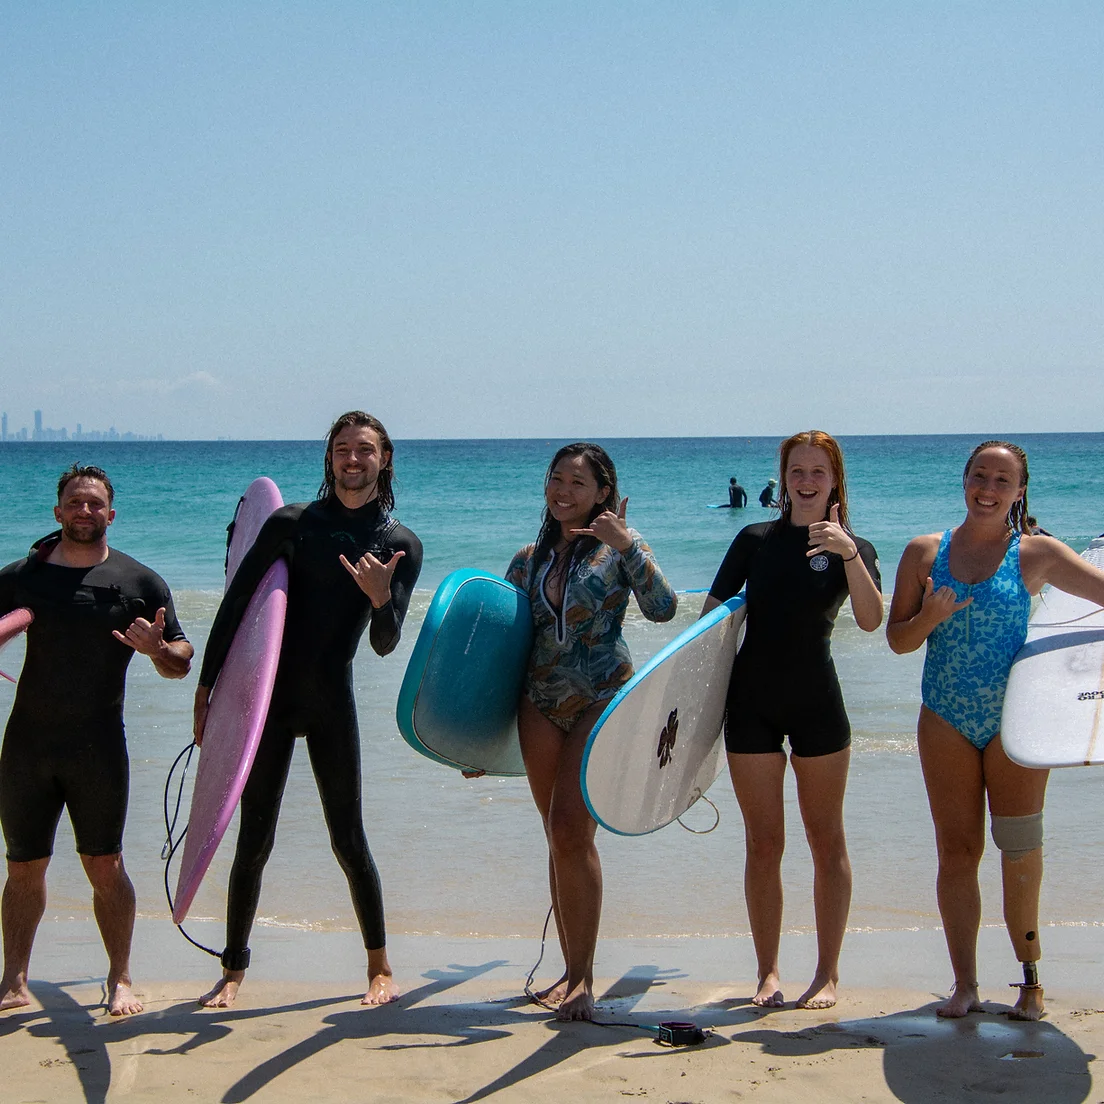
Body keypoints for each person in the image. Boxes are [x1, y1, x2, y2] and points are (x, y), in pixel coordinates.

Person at [193, 412, 422, 1010]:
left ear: (384, 460)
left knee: (348, 839)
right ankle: (234, 969)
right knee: (254, 839)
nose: (353, 459)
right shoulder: (292, 523)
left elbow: (384, 642)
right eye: (341, 449)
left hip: (329, 700)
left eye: (364, 450)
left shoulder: (399, 545)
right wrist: (207, 688)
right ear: (329, 460)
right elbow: (238, 603)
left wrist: (380, 601)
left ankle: (379, 966)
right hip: (265, 701)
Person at [887, 440, 1104, 1021]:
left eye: (1001, 480)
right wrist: (931, 615)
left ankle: (1030, 982)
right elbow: (899, 640)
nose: (988, 487)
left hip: (1016, 728)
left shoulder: (1038, 555)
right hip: (945, 722)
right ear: (964, 480)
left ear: (1018, 490)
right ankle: (965, 985)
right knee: (957, 852)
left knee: (1019, 854)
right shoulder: (923, 553)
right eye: (979, 475)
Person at [0, 464, 193, 1016]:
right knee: (22, 867)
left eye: (95, 504)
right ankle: (14, 980)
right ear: (58, 512)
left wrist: (156, 650)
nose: (84, 512)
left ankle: (120, 978)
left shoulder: (139, 583)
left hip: (98, 746)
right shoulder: (20, 577)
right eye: (74, 503)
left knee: (104, 865)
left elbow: (181, 660)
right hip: (27, 747)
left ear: (111, 514)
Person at [702, 431, 882, 1010]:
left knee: (827, 841)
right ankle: (768, 973)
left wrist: (848, 552)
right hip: (750, 701)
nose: (806, 481)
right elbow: (709, 624)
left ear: (835, 480)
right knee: (763, 843)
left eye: (818, 472)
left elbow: (872, 618)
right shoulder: (754, 539)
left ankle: (827, 973)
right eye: (797, 471)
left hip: (816, 703)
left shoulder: (853, 546)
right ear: (784, 479)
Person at [506, 442, 677, 1021]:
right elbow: (505, 651)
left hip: (600, 699)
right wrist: (477, 736)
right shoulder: (528, 559)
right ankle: (567, 967)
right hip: (538, 704)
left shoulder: (619, 551)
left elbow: (665, 609)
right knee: (556, 836)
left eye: (578, 483)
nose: (564, 491)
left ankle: (582, 978)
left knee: (572, 832)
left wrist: (627, 546)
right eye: (556, 479)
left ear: (603, 492)